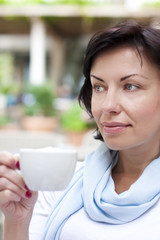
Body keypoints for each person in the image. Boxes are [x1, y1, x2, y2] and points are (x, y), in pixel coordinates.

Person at [1, 20, 160, 240]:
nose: (107, 106)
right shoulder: (59, 181)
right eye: (99, 87)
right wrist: (17, 221)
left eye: (130, 86)